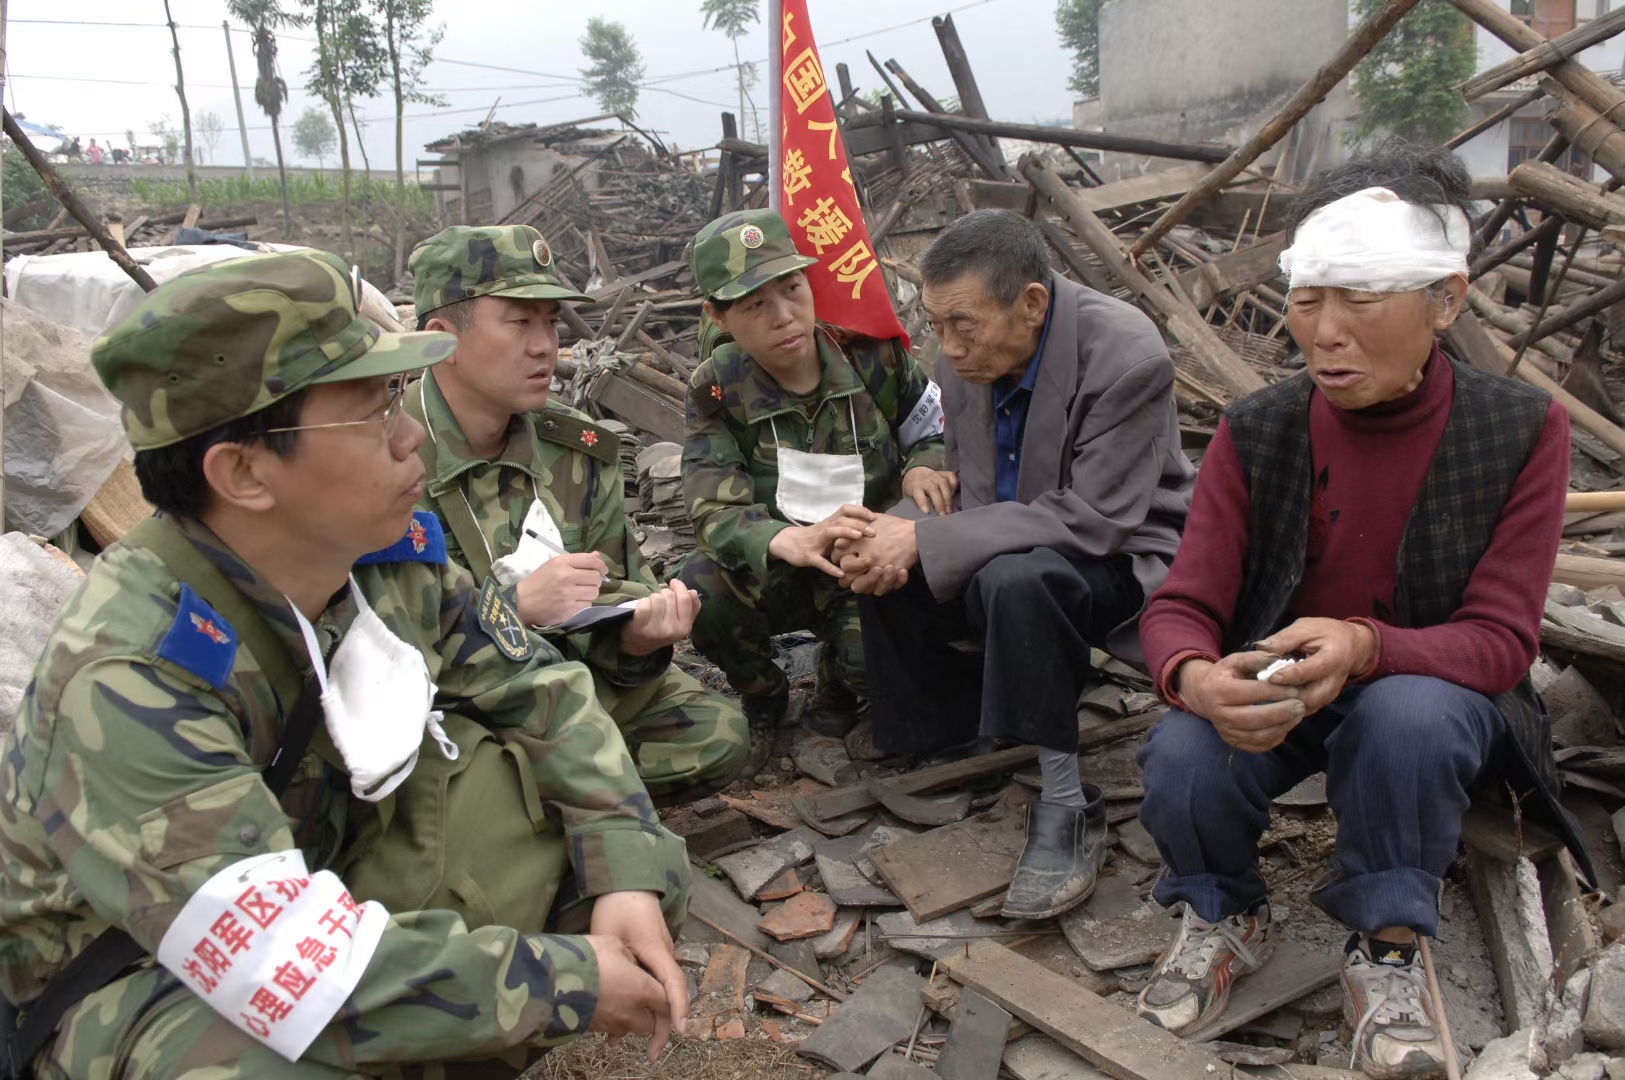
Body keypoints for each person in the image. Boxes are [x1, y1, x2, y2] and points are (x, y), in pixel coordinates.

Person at [0, 250, 692, 1079]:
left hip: (308, 873)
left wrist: (622, 856)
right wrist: (566, 984)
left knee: (618, 864)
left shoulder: (382, 556)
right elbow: (277, 963)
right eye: (370, 410)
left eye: (397, 396)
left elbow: (539, 687)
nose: (409, 436)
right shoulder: (130, 674)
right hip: (136, 974)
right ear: (246, 471)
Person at [1131, 145, 1587, 1080]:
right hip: (1289, 685)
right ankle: (1223, 909)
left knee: (1404, 717)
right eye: (1308, 300)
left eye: (1363, 301)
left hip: (1435, 692)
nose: (1325, 333)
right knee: (1180, 747)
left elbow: (1501, 642)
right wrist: (1193, 676)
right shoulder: (1256, 428)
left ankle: (1386, 943)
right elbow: (1184, 600)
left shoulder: (1517, 430)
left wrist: (1365, 645)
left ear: (1446, 301)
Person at [833, 209, 1194, 920]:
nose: (947, 347)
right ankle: (944, 735)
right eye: (936, 325)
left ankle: (1066, 803)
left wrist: (932, 540)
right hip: (1008, 526)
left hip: (1119, 554)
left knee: (1014, 578)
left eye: (962, 324)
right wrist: (918, 497)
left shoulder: (1125, 353)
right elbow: (970, 476)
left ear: (1032, 303)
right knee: (875, 544)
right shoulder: (967, 355)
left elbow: (1093, 518)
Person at [405, 224, 749, 804]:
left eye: (551, 322)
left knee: (717, 735)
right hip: (453, 710)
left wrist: (638, 641)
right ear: (441, 339)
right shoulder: (387, 462)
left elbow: (616, 588)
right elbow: (371, 654)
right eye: (520, 323)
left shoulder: (574, 450)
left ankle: (535, 808)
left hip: (570, 689)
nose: (545, 346)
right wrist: (511, 612)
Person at [676, 209, 953, 770]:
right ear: (720, 316)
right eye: (755, 305)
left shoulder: (871, 356)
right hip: (777, 563)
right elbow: (711, 507)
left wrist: (923, 467)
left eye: (792, 289)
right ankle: (763, 696)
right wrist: (786, 541)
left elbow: (938, 430)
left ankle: (838, 681)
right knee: (698, 591)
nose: (785, 317)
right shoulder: (717, 388)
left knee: (874, 666)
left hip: (865, 564)